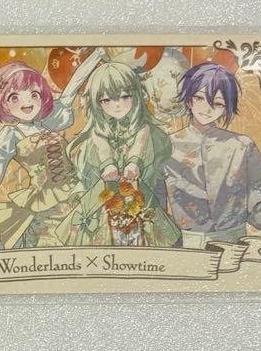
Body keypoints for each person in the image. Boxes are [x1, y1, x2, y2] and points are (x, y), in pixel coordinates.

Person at [0, 48, 106, 250]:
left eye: (34, 94)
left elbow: (75, 81)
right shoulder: (8, 137)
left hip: (77, 194)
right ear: (3, 104)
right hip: (46, 206)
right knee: (50, 250)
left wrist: (98, 53)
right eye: (14, 97)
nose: (27, 102)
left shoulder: (49, 120)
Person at [60, 62, 181, 247]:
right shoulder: (98, 131)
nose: (117, 105)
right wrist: (107, 164)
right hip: (105, 196)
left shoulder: (143, 128)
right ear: (97, 103)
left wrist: (134, 162)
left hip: (138, 193)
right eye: (106, 100)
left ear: (136, 96)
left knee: (144, 237)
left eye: (125, 97)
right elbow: (101, 146)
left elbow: (140, 143)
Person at [163, 61, 261, 246]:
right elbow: (155, 205)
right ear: (189, 100)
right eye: (199, 98)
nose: (207, 109)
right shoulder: (166, 146)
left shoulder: (242, 145)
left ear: (226, 107)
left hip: (235, 243)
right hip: (184, 246)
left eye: (217, 103)